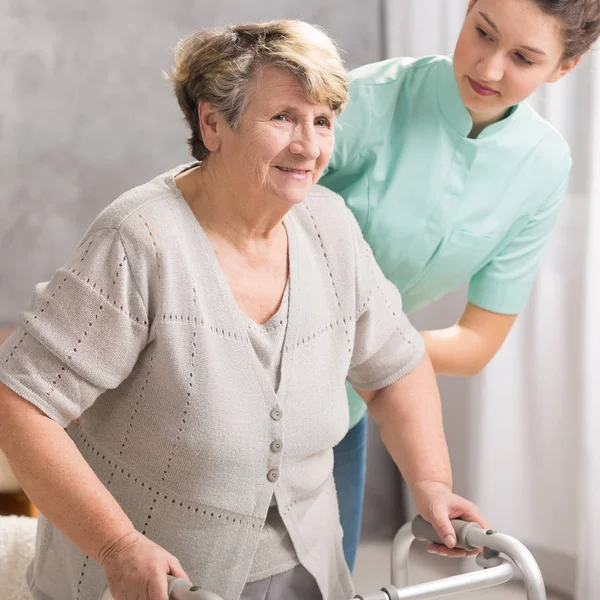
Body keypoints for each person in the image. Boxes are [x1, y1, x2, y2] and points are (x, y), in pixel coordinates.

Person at [0, 20, 486, 600]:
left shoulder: (330, 227)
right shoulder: (138, 241)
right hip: (149, 582)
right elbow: (20, 405)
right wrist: (116, 547)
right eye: (283, 117)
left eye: (323, 121)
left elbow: (395, 366)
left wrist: (431, 482)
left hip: (307, 572)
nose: (308, 145)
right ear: (212, 123)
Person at [321, 0, 600, 572]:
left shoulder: (543, 165)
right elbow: (236, 224)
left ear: (563, 68)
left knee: (322, 581)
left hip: (340, 408)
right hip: (238, 375)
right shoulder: (363, 102)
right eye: (482, 32)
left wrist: (362, 348)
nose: (488, 68)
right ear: (468, 9)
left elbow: (476, 343)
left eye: (523, 57)